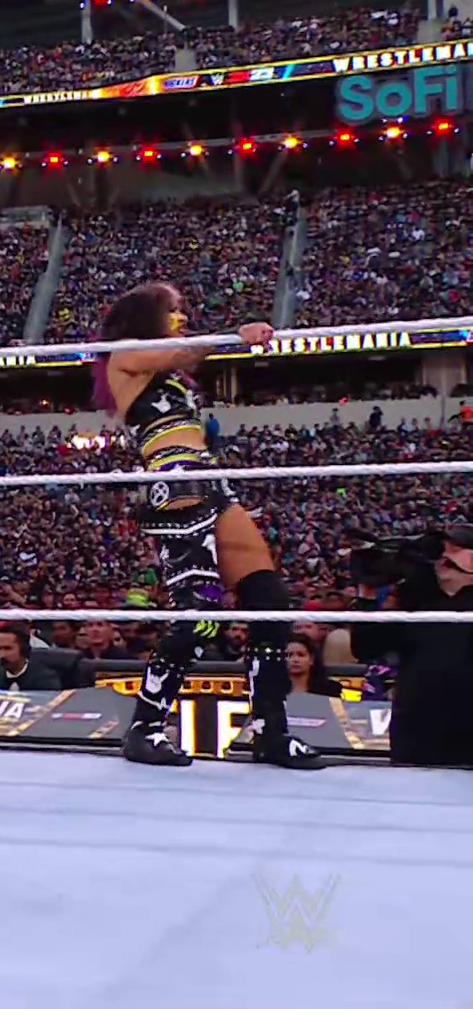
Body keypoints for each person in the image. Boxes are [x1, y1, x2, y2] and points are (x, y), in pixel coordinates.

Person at [94, 281, 321, 770]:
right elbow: (181, 353)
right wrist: (234, 337)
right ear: (148, 317)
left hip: (210, 478)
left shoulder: (167, 369)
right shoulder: (125, 356)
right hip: (174, 480)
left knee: (269, 600)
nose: (182, 316)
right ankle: (145, 727)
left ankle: (270, 730)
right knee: (200, 613)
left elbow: (183, 358)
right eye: (173, 309)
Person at [346, 526, 473, 767]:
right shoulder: (417, 606)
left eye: (455, 550)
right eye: (442, 551)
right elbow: (365, 648)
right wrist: (367, 594)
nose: (444, 556)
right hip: (416, 737)